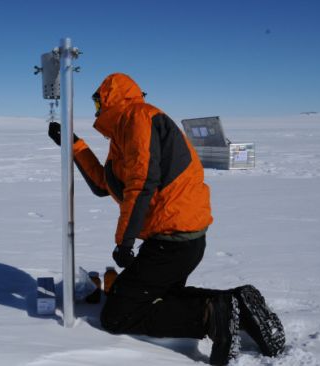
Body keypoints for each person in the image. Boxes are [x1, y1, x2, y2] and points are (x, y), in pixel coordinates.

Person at [47, 73, 285, 365]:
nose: (96, 111)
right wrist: (74, 145)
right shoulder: (123, 133)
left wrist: (124, 242)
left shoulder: (139, 119)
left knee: (118, 315)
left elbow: (143, 183)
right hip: (176, 237)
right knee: (153, 294)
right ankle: (238, 302)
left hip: (173, 238)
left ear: (111, 99)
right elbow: (102, 185)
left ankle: (212, 315)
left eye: (98, 103)